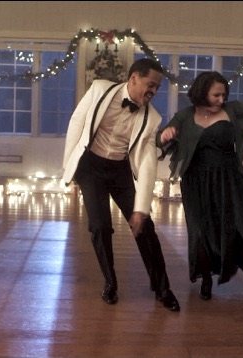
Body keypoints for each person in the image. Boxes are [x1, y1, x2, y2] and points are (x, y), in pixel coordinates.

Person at [156, 50, 243, 302]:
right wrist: (164, 136)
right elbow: (160, 138)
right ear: (202, 92)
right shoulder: (185, 116)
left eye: (223, 94)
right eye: (216, 94)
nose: (221, 99)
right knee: (201, 232)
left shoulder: (234, 110)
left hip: (230, 180)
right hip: (196, 183)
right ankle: (206, 279)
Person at [62, 58, 180, 312]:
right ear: (134, 78)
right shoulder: (99, 89)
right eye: (151, 84)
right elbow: (76, 122)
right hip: (90, 168)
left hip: (120, 170)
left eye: (158, 88)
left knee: (145, 229)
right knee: (100, 227)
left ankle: (163, 289)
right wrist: (68, 168)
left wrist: (141, 209)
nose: (154, 91)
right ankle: (110, 283)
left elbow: (148, 163)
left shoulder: (152, 118)